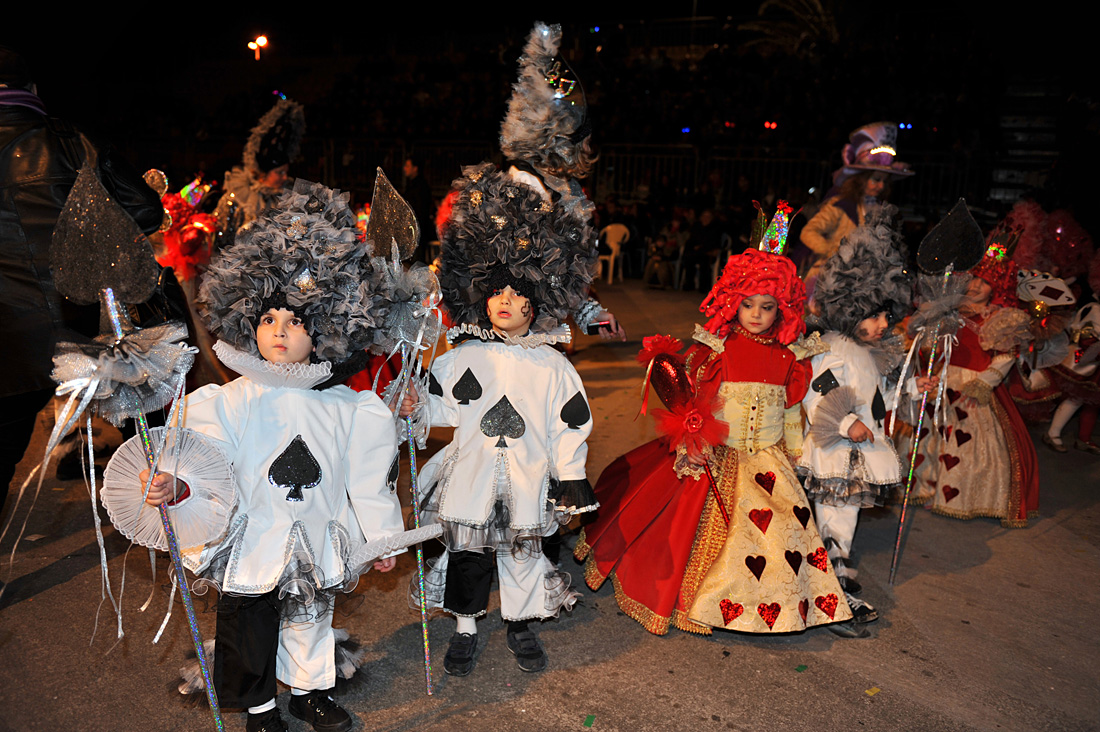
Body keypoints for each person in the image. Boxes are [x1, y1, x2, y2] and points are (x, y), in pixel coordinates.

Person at [138, 180, 404, 732]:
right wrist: (177, 486)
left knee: (311, 618)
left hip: (318, 532)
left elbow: (367, 479)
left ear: (326, 329)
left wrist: (380, 538)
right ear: (248, 323)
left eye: (296, 321)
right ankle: (259, 708)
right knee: (248, 626)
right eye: (268, 319)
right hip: (251, 536)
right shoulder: (230, 400)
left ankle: (309, 691)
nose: (279, 332)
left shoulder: (346, 407)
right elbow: (203, 460)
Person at [578, 207, 865, 638]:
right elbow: (699, 402)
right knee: (694, 529)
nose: (756, 314)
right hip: (720, 451)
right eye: (747, 305)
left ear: (782, 309)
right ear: (733, 302)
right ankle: (701, 599)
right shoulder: (719, 350)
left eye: (767, 307)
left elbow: (793, 408)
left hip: (768, 458)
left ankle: (778, 605)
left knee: (782, 531)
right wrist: (693, 438)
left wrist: (798, 449)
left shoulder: (791, 356)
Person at [403, 157, 598, 677]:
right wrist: (416, 407)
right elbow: (441, 407)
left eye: (518, 294)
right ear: (481, 297)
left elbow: (570, 423)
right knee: (468, 556)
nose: (506, 301)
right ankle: (466, 626)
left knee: (523, 553)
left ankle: (521, 622)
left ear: (539, 303)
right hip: (471, 476)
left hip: (530, 476)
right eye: (497, 292)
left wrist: (571, 474)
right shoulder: (462, 357)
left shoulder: (553, 366)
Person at [0, 46, 163, 507]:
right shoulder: (70, 142)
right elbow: (145, 212)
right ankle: (166, 527)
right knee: (145, 435)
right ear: (32, 89)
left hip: (7, 340)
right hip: (79, 321)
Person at [799, 206, 922, 624]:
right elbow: (818, 391)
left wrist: (911, 389)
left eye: (887, 314)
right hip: (835, 451)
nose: (883, 323)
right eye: (873, 315)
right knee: (835, 518)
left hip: (859, 452)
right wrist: (844, 421)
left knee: (843, 520)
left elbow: (880, 396)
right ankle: (832, 587)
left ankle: (834, 580)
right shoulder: (832, 347)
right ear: (850, 308)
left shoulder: (871, 352)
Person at [898, 238, 1040, 527]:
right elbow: (930, 346)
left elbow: (1005, 356)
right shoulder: (949, 310)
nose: (976, 286)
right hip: (942, 381)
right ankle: (928, 487)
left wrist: (987, 381)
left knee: (965, 442)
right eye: (974, 278)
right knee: (931, 437)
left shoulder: (1001, 319)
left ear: (997, 289)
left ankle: (959, 497)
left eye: (985, 282)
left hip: (974, 386)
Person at [498, 22, 625, 342]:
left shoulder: (558, 186)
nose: (587, 149)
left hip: (536, 325)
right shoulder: (525, 182)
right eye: (581, 140)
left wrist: (589, 314)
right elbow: (529, 270)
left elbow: (556, 270)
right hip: (515, 331)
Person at [799, 122, 914, 289]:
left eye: (884, 181)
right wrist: (833, 252)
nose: (881, 186)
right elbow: (809, 232)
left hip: (865, 283)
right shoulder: (839, 206)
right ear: (861, 179)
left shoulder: (882, 211)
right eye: (876, 179)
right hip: (832, 280)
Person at [214, 98, 305, 247]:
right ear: (263, 174)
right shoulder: (237, 199)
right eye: (279, 172)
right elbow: (220, 239)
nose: (285, 177)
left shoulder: (289, 198)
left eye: (286, 172)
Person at [402, 155, 436, 263]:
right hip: (414, 229)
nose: (404, 168)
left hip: (417, 230)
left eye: (408, 166)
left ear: (415, 168)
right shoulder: (412, 185)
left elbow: (420, 210)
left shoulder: (420, 187)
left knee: (416, 261)